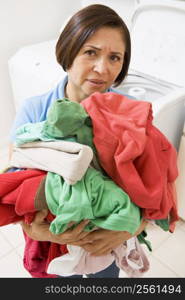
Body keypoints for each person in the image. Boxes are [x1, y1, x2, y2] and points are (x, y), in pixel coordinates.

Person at [9, 4, 148, 278]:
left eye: (115, 57)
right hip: (56, 245)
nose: (102, 68)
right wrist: (37, 230)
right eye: (91, 53)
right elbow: (15, 187)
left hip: (109, 241)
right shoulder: (34, 111)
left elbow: (155, 190)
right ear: (68, 52)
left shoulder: (132, 112)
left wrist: (130, 227)